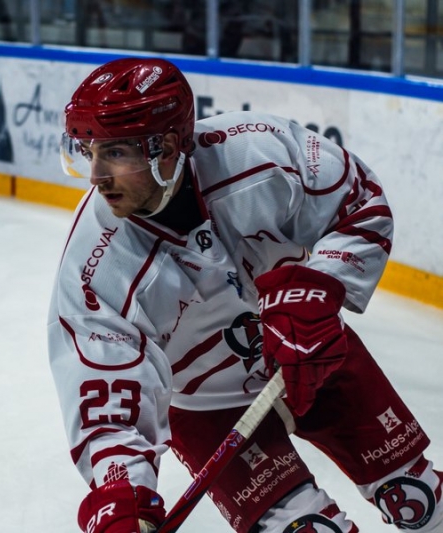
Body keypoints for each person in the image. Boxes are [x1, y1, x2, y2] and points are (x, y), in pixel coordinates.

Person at [47, 56, 443, 533]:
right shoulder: (94, 268)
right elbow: (107, 401)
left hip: (313, 354)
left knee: (419, 500)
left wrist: (319, 288)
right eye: (88, 151)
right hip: (207, 408)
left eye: (115, 154)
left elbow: (359, 205)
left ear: (168, 146)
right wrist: (123, 494)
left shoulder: (258, 152)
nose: (96, 175)